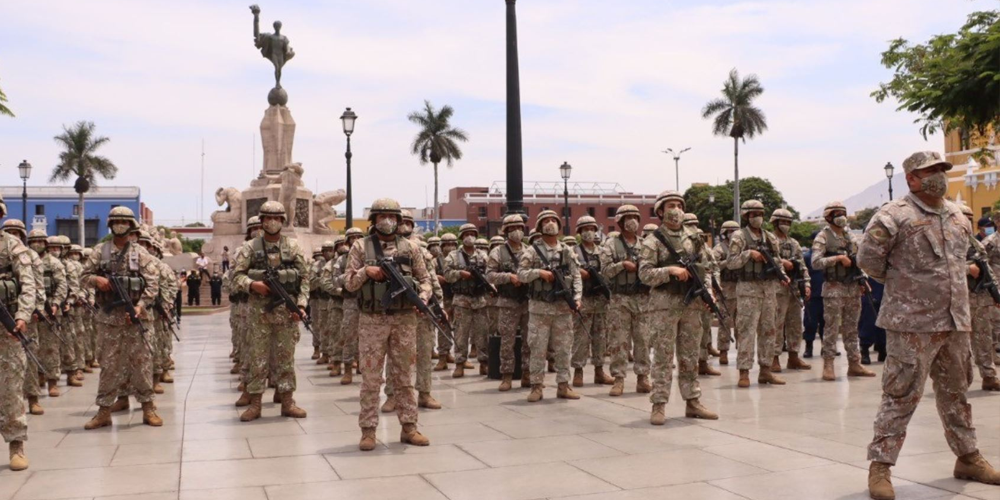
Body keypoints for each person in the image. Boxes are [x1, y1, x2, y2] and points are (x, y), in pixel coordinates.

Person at [861, 151, 1000, 499]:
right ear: (911, 178)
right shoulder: (893, 216)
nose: (939, 176)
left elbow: (963, 260)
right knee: (900, 394)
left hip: (955, 320)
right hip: (911, 323)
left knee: (957, 392)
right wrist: (907, 285)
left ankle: (968, 457)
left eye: (942, 169)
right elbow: (868, 260)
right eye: (930, 171)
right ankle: (880, 467)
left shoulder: (957, 215)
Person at [342, 198, 432, 450]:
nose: (387, 221)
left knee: (404, 376)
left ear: (399, 220)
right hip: (372, 320)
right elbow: (348, 282)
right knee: (371, 377)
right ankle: (368, 431)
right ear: (374, 220)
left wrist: (423, 297)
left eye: (392, 216)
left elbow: (425, 279)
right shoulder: (361, 246)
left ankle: (409, 427)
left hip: (404, 319)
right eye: (382, 216)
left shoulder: (411, 248)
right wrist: (365, 272)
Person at [639, 192, 718, 424]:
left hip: (691, 304)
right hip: (664, 306)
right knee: (663, 356)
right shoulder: (653, 240)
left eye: (679, 205)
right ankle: (659, 404)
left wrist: (709, 292)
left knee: (690, 355)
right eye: (671, 205)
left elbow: (706, 267)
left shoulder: (694, 237)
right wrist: (670, 271)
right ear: (660, 211)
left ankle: (693, 402)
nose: (676, 210)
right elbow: (644, 274)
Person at [82, 206, 162, 430]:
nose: (120, 225)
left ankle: (148, 408)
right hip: (109, 320)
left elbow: (153, 284)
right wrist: (97, 280)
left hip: (136, 318)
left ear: (131, 226)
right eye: (116, 222)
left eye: (124, 222)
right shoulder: (100, 251)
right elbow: (83, 276)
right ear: (110, 225)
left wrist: (140, 306)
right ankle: (104, 411)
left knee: (142, 364)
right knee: (108, 365)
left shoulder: (141, 253)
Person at [230, 201, 308, 421]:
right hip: (259, 312)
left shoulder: (293, 247)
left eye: (276, 218)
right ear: (262, 221)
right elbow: (236, 276)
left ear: (282, 221)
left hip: (287, 311)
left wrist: (301, 305)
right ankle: (255, 404)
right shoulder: (250, 248)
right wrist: (252, 284)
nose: (272, 222)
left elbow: (304, 277)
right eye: (268, 218)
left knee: (286, 358)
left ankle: (287, 402)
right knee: (257, 357)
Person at [518, 210, 583, 402]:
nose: (550, 223)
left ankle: (563, 385)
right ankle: (536, 387)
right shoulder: (532, 251)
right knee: (537, 348)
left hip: (562, 309)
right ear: (540, 227)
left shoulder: (566, 250)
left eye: (554, 220)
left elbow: (576, 275)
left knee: (564, 349)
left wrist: (577, 298)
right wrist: (538, 273)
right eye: (546, 220)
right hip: (539, 309)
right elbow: (521, 274)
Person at [381, 210, 443, 411]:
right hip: (397, 310)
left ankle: (424, 393)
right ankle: (392, 395)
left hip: (421, 309)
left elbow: (431, 280)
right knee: (395, 355)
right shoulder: (383, 249)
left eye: (408, 222)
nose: (404, 226)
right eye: (402, 222)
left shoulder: (421, 250)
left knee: (424, 352)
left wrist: (438, 306)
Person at [726, 199, 789, 388]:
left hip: (769, 290)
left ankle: (766, 370)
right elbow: (731, 262)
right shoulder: (739, 236)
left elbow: (777, 260)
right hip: (748, 290)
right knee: (746, 331)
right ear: (746, 216)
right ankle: (744, 372)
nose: (758, 218)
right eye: (754, 214)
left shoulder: (770, 237)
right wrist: (748, 254)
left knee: (769, 330)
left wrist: (783, 275)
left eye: (760, 214)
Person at [811, 201, 876, 381]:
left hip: (853, 288)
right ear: (828, 217)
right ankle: (828, 364)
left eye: (843, 213)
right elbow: (815, 262)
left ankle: (854, 364)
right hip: (833, 288)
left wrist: (863, 279)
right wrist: (838, 258)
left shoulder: (850, 236)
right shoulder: (823, 237)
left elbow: (858, 260)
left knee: (852, 328)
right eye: (837, 213)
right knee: (831, 328)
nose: (841, 217)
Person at [0, 202, 39, 471]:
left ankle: (16, 444)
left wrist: (23, 315)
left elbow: (28, 284)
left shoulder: (12, 246)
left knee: (11, 387)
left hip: (7, 328)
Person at [600, 205, 651, 396]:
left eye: (635, 217)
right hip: (619, 299)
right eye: (628, 217)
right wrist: (622, 265)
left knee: (643, 339)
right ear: (620, 222)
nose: (632, 221)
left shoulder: (646, 244)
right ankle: (618, 379)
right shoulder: (611, 245)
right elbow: (605, 271)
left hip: (642, 298)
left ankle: (643, 377)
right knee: (619, 340)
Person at [2, 219, 46, 417]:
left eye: (17, 232)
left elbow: (33, 285)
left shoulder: (16, 247)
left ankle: (33, 398)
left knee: (21, 364)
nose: (14, 234)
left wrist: (26, 313)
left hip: (13, 318)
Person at [487, 215, 532, 390]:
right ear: (506, 231)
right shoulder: (497, 252)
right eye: (513, 228)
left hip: (527, 302)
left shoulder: (530, 250)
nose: (517, 231)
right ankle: (506, 375)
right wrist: (509, 277)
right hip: (507, 302)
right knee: (507, 341)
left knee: (530, 341)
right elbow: (489, 276)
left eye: (519, 227)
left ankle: (527, 374)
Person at [571, 215, 614, 386]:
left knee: (600, 337)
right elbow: (567, 272)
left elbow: (609, 271)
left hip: (600, 299)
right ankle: (578, 371)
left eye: (591, 229)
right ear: (579, 232)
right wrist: (578, 272)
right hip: (583, 299)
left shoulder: (602, 251)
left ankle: (599, 370)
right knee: (581, 337)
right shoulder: (573, 251)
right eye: (585, 229)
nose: (589, 232)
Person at [444, 224, 490, 378]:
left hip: (480, 300)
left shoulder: (483, 256)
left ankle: (484, 363)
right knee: (460, 334)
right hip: (461, 300)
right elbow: (447, 275)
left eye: (472, 234)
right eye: (466, 234)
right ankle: (459, 364)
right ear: (461, 237)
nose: (469, 237)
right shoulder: (453, 256)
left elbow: (491, 274)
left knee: (482, 333)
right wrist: (460, 274)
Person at [770, 208, 812, 371]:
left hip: (794, 288)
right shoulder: (769, 240)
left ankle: (794, 356)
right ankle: (774, 358)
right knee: (776, 324)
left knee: (795, 324)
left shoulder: (794, 243)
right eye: (783, 222)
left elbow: (802, 265)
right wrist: (782, 262)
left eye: (788, 222)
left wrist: (806, 284)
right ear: (775, 222)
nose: (786, 225)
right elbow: (767, 259)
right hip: (776, 288)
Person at [966, 207, 1000, 392]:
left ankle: (989, 376)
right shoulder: (948, 243)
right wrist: (967, 269)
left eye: (969, 219)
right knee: (960, 342)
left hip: (981, 297)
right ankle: (960, 379)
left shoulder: (974, 243)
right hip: (959, 299)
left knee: (984, 337)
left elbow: (986, 268)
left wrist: (995, 294)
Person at [683, 213, 721, 377]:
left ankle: (703, 362)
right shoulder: (679, 245)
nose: (692, 228)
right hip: (684, 294)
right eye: (689, 224)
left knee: (705, 328)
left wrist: (713, 288)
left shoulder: (703, 247)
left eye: (695, 224)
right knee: (686, 334)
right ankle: (689, 366)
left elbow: (712, 268)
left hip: (703, 292)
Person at [335, 227, 364, 385]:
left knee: (366, 336)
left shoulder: (368, 255)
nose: (355, 240)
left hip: (366, 300)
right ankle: (347, 369)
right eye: (352, 237)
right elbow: (335, 279)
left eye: (358, 236)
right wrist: (350, 276)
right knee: (350, 335)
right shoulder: (342, 260)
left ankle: (363, 366)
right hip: (351, 301)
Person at [712, 221, 740, 365]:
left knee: (742, 324)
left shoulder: (742, 247)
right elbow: (713, 267)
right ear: (724, 233)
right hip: (725, 290)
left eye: (735, 231)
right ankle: (723, 352)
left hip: (741, 289)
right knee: (724, 322)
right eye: (730, 231)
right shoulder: (719, 249)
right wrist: (728, 262)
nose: (733, 234)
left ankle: (742, 351)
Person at [432, 233, 457, 371]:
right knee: (443, 327)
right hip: (443, 298)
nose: (450, 247)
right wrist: (437, 277)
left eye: (452, 244)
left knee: (458, 328)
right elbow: (427, 274)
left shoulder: (458, 258)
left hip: (457, 296)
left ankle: (451, 353)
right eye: (447, 244)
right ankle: (442, 356)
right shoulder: (435, 261)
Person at [802, 242, 825, 358]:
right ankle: (808, 347)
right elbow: (803, 275)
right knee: (810, 323)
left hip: (827, 295)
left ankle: (826, 347)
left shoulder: (827, 255)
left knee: (826, 323)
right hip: (812, 295)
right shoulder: (807, 257)